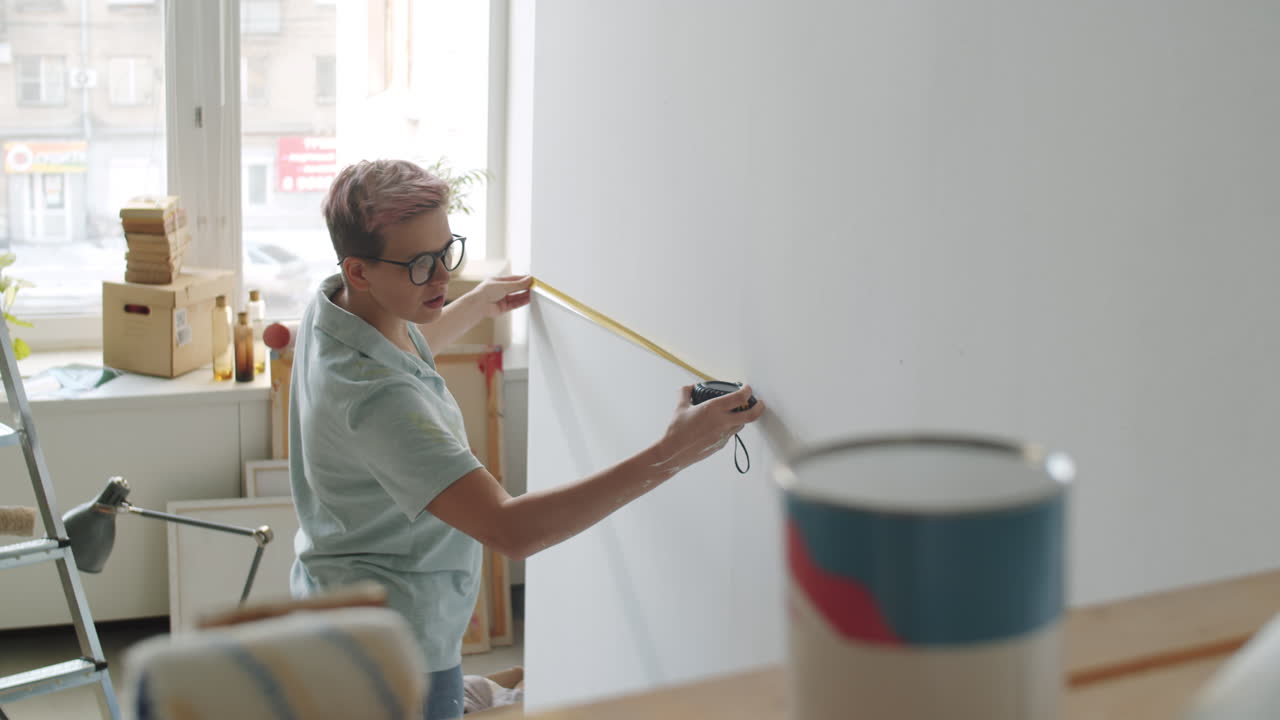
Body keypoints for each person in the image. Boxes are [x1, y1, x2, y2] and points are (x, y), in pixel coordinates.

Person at [288, 159, 765, 720]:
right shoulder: (376, 399)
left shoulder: (335, 309)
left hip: (348, 610)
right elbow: (511, 530)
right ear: (360, 270)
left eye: (447, 251)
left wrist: (474, 305)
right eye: (420, 265)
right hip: (395, 655)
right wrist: (671, 454)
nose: (441, 276)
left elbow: (401, 349)